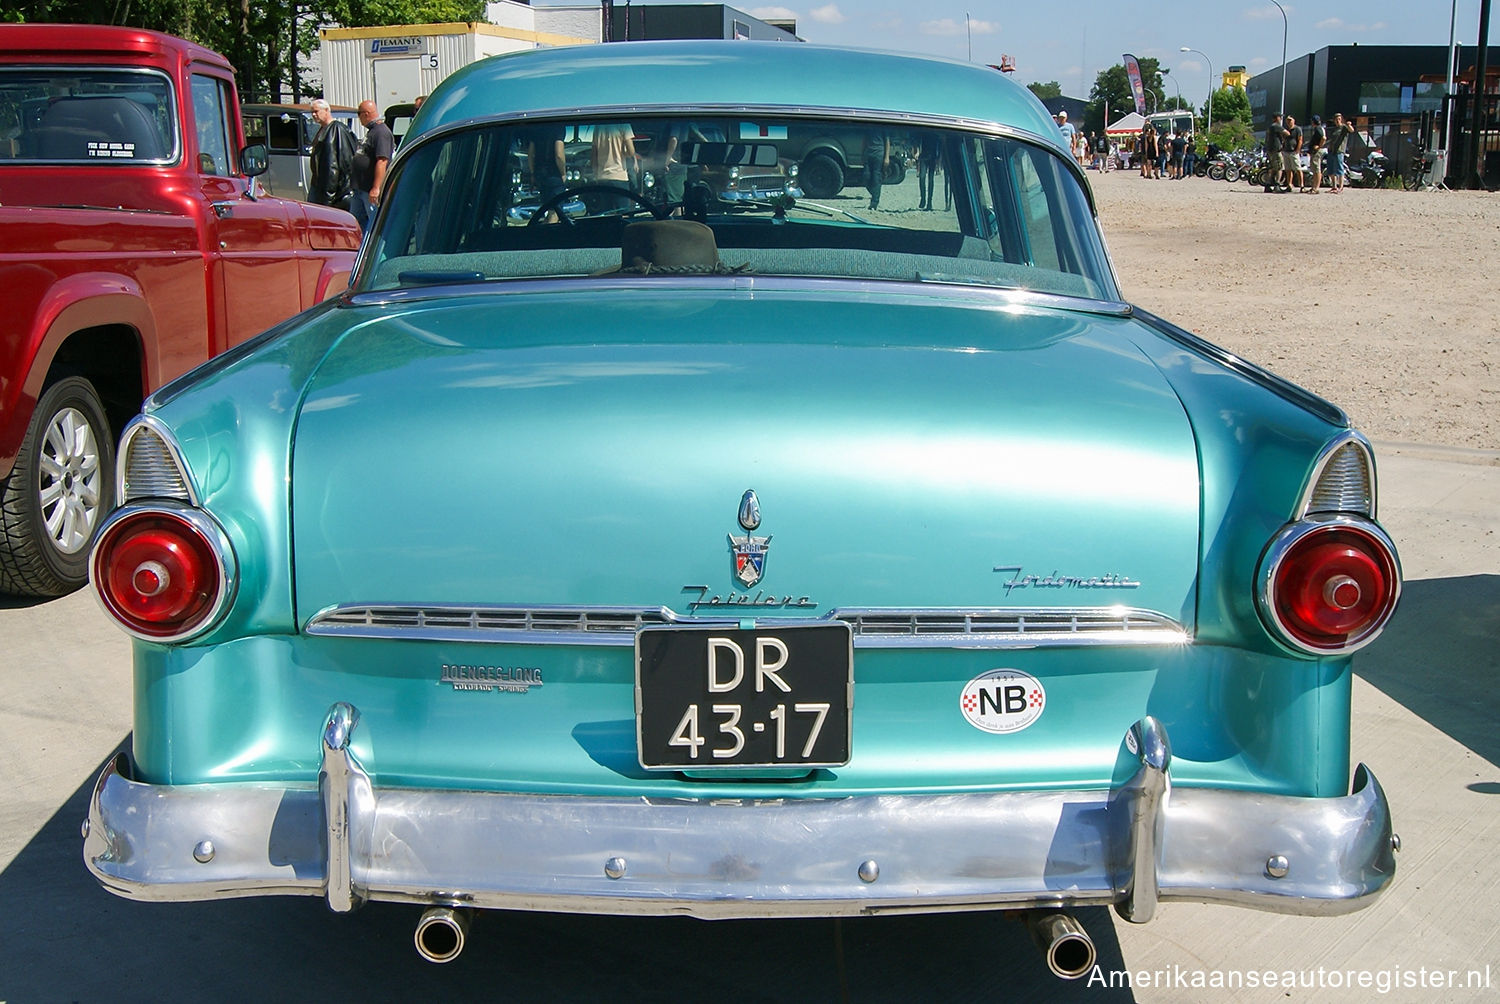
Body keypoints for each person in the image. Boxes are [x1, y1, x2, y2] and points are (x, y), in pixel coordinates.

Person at [351, 99, 393, 231]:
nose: (359, 118)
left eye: (359, 113)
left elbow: (382, 160)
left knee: (374, 224)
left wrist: (376, 188)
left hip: (369, 190)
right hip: (360, 188)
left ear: (366, 114)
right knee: (357, 224)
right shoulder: (372, 131)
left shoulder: (381, 132)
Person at [307, 98, 354, 211]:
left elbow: (333, 165)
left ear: (327, 110)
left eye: (316, 111)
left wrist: (328, 197)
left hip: (330, 190)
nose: (313, 115)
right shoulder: (323, 130)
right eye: (312, 112)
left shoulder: (335, 130)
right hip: (318, 185)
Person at [591, 122, 638, 210]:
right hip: (619, 177)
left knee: (606, 213)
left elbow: (594, 155)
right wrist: (624, 153)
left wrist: (596, 175)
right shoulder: (624, 125)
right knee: (623, 213)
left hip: (602, 178)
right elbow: (631, 151)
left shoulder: (598, 126)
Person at [1324, 112, 1354, 193]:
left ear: (1341, 120)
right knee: (1330, 170)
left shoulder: (1344, 127)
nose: (1337, 121)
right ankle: (1334, 186)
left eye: (1339, 119)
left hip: (1339, 151)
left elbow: (1352, 130)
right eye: (1336, 119)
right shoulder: (1334, 129)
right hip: (1331, 151)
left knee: (1339, 169)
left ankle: (1341, 187)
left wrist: (1349, 125)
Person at [863, 129, 890, 209]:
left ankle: (874, 202)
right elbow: (864, 140)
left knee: (876, 177)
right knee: (866, 177)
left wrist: (886, 157)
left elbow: (887, 141)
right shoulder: (868, 126)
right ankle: (875, 194)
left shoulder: (882, 127)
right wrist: (862, 154)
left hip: (879, 153)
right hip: (868, 153)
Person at [1302, 114, 1326, 193]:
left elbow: (1323, 138)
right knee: (1314, 169)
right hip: (1314, 151)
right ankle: (1314, 186)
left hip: (1317, 151)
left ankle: (1316, 188)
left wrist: (1319, 146)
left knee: (1316, 169)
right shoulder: (1319, 128)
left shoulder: (1318, 129)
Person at [1263, 113, 1285, 193]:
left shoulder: (1270, 127)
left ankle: (1268, 185)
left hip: (1270, 150)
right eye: (1280, 118)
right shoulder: (1276, 126)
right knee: (1279, 168)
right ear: (1276, 118)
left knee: (1271, 168)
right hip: (1276, 150)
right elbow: (1287, 133)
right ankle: (1277, 185)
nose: (1281, 119)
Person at [1283, 114, 1302, 193]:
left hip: (1294, 151)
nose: (1288, 122)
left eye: (1290, 120)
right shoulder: (1286, 129)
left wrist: (1297, 150)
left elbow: (1300, 140)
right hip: (1286, 151)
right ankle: (1289, 184)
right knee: (1288, 169)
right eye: (1287, 120)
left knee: (1297, 169)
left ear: (1294, 120)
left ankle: (1302, 185)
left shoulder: (1297, 129)